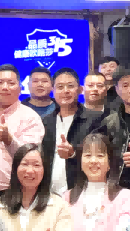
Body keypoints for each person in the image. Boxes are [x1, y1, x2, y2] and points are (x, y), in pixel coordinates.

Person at [0, 64, 45, 209]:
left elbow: (29, 158)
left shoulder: (30, 117)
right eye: (0, 82)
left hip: (16, 192)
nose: (5, 87)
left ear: (20, 88)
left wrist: (8, 139)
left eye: (10, 83)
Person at [40, 68, 100, 196]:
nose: (65, 91)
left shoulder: (96, 119)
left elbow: (100, 154)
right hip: (49, 194)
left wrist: (73, 153)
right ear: (53, 90)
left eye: (70, 86)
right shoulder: (45, 122)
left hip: (82, 192)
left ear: (80, 89)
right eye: (60, 87)